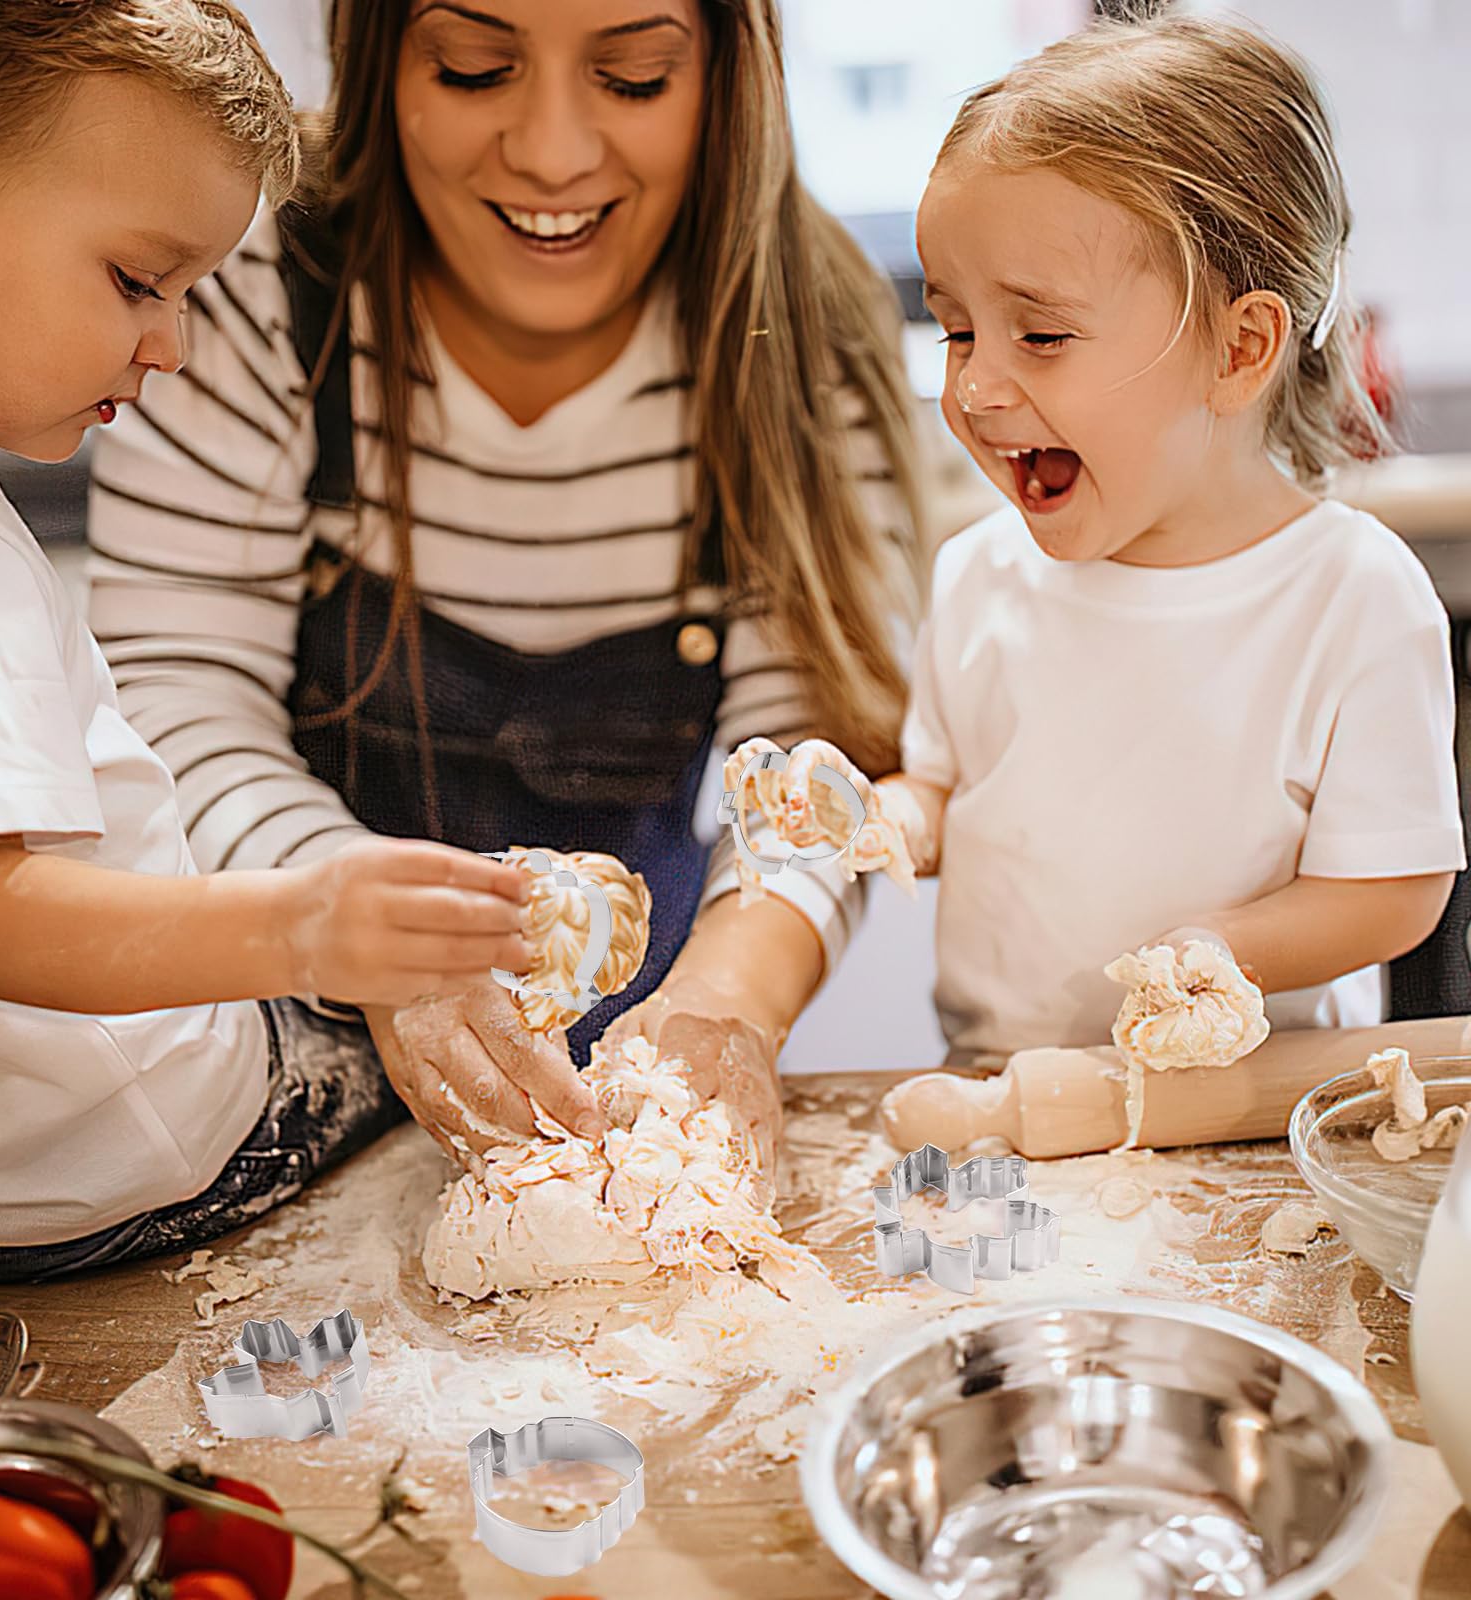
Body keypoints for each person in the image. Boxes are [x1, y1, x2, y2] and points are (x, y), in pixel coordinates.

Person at [87, 0, 954, 1172]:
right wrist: (372, 940)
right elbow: (176, 698)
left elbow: (811, 771)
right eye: (474, 68)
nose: (551, 153)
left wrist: (729, 998)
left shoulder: (793, 327)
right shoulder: (256, 283)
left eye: (634, 78)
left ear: (728, 76)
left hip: (636, 1042)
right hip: (280, 1039)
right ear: (377, 57)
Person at [0, 0, 542, 1282]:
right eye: (138, 281)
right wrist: (305, 926)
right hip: (119, 1159)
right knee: (452, 1060)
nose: (170, 346)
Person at [870, 13, 1465, 1061]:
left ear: (1238, 350)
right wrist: (892, 819)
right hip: (1001, 1088)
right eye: (958, 329)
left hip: (1248, 1113)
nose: (974, 386)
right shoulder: (978, 576)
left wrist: (1222, 949)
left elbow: (1396, 889)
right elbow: (941, 784)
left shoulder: (1352, 596)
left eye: (1039, 334)